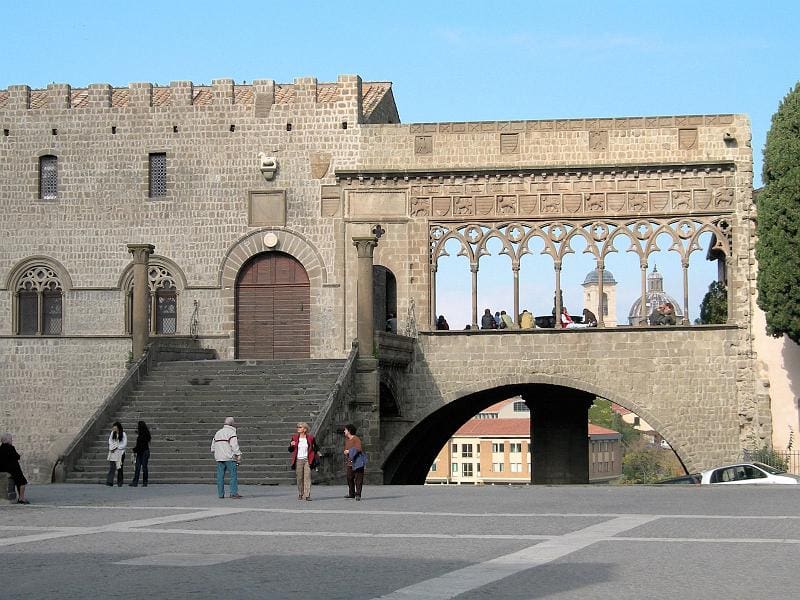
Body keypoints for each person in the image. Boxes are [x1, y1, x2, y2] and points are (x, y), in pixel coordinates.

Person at [211, 416, 242, 499]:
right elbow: (234, 445)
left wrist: (218, 453)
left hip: (219, 457)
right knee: (233, 475)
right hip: (229, 457)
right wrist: (238, 454)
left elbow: (213, 447)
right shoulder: (231, 433)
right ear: (232, 424)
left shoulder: (218, 432)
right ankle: (233, 493)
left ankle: (221, 494)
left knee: (220, 476)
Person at [288, 422, 318, 501]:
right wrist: (291, 445)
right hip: (298, 460)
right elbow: (290, 450)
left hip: (307, 460)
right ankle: (301, 493)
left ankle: (307, 495)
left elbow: (315, 447)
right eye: (298, 427)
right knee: (299, 478)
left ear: (305, 429)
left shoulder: (310, 438)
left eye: (300, 427)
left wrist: (314, 454)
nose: (298, 428)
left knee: (307, 477)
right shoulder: (294, 438)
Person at [0, 432, 30, 504]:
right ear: (7, 440)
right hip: (12, 469)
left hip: (3, 468)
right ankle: (21, 498)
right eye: (11, 439)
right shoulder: (11, 448)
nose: (11, 440)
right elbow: (16, 456)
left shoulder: (0, 448)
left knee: (19, 480)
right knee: (22, 482)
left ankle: (20, 497)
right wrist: (19, 455)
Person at [342, 424, 364, 501]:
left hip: (357, 462)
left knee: (358, 479)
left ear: (349, 431)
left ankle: (358, 494)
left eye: (345, 430)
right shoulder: (347, 440)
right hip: (350, 462)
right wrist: (345, 452)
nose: (344, 431)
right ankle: (351, 493)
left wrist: (349, 451)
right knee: (349, 477)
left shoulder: (356, 439)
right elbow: (346, 449)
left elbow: (358, 448)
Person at [129, 420, 151, 487]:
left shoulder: (141, 436)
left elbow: (140, 446)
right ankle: (144, 482)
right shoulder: (146, 434)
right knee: (143, 467)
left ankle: (135, 482)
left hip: (142, 452)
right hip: (145, 451)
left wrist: (134, 450)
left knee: (139, 467)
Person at [106, 422, 127, 487]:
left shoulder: (123, 434)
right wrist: (112, 448)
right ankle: (109, 481)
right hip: (113, 452)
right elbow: (110, 441)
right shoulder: (112, 433)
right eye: (113, 427)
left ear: (118, 427)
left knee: (120, 467)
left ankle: (120, 482)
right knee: (112, 467)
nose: (113, 428)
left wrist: (117, 447)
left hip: (120, 453)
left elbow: (124, 444)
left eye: (115, 427)